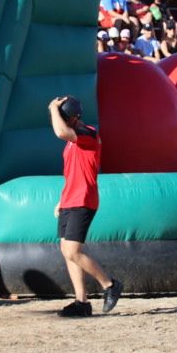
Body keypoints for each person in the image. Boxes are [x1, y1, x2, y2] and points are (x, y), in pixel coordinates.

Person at [48, 95, 121, 317]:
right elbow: (73, 172)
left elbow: (61, 132)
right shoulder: (72, 143)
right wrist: (62, 199)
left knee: (72, 250)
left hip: (83, 200)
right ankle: (82, 302)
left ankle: (109, 285)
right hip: (70, 199)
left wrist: (53, 108)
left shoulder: (88, 133)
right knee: (67, 252)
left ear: (69, 118)